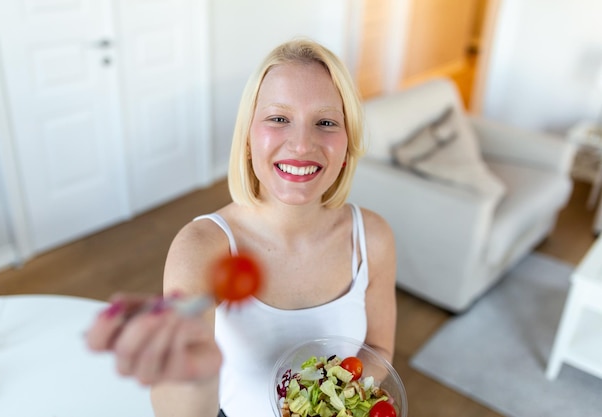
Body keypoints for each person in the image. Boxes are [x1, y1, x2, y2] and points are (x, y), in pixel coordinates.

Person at [85, 38, 397, 417]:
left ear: (347, 148)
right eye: (279, 118)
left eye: (326, 122)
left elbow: (379, 350)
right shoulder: (202, 247)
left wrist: (328, 405)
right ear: (248, 139)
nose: (301, 144)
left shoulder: (373, 238)